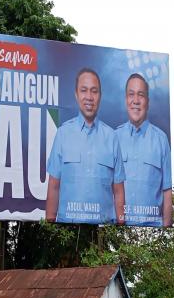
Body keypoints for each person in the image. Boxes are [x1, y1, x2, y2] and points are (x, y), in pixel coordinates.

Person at [46, 68, 125, 224]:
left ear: (100, 96)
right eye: (84, 90)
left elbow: (119, 190)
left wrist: (121, 224)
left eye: (94, 91)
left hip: (103, 230)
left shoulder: (112, 137)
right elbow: (54, 186)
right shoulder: (63, 134)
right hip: (67, 228)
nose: (89, 97)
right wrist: (50, 224)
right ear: (76, 94)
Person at [116, 73, 172, 227]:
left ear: (147, 101)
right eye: (131, 94)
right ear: (126, 100)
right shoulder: (114, 138)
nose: (135, 101)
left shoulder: (161, 140)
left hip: (153, 231)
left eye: (141, 95)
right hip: (118, 230)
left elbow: (167, 191)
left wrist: (166, 231)